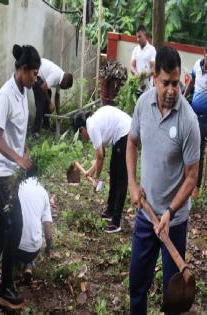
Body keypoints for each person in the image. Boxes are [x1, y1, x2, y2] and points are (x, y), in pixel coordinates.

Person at [127, 46, 200, 315]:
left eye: (176, 83)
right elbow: (132, 143)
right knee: (137, 285)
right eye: (165, 83)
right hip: (146, 217)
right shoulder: (142, 105)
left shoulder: (188, 121)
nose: (171, 90)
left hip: (174, 222)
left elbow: (192, 177)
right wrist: (133, 185)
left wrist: (170, 212)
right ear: (154, 78)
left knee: (174, 301)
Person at [0, 44, 40, 310]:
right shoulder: (6, 94)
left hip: (13, 170)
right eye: (34, 74)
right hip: (0, 171)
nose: (35, 79)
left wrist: (24, 152)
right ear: (23, 70)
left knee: (1, 225)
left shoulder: (23, 92)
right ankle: (5, 287)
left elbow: (19, 133)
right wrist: (17, 158)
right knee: (14, 225)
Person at [74, 106, 132, 233]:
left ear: (82, 129)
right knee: (114, 174)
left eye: (80, 135)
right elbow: (102, 154)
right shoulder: (92, 122)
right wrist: (90, 171)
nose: (83, 138)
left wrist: (96, 179)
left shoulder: (92, 126)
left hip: (126, 133)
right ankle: (110, 211)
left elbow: (100, 157)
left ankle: (116, 222)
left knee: (121, 179)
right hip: (122, 135)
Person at [15, 169, 52, 282]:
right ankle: (29, 265)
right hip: (33, 250)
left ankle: (15, 267)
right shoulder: (43, 192)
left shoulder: (17, 187)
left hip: (15, 246)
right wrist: (48, 247)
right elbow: (48, 230)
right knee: (31, 248)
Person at [184, 44, 207, 198]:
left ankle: (198, 186)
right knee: (196, 149)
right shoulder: (196, 66)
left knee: (201, 149)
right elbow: (191, 83)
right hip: (195, 116)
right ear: (205, 53)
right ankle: (195, 187)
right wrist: (182, 95)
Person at [32, 58, 73, 137]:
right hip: (35, 73)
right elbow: (43, 87)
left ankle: (46, 125)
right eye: (66, 88)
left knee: (49, 93)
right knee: (41, 101)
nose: (65, 89)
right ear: (65, 83)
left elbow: (57, 97)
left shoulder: (61, 79)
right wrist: (50, 103)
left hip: (41, 78)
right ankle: (35, 131)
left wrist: (58, 115)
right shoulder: (57, 75)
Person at [130, 25, 156, 91]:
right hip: (136, 87)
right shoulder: (135, 49)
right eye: (137, 37)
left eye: (139, 37)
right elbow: (132, 67)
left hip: (148, 88)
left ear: (145, 36)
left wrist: (143, 77)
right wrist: (136, 74)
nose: (137, 40)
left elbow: (153, 69)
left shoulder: (152, 50)